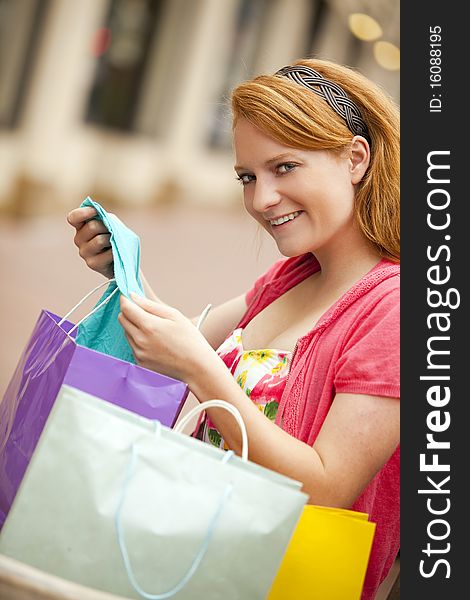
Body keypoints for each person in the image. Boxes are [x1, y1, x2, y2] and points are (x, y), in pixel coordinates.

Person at [67, 58, 400, 600]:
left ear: (355, 158)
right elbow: (170, 340)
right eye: (248, 176)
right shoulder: (288, 277)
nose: (262, 199)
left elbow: (324, 490)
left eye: (285, 167)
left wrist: (201, 372)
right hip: (188, 567)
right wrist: (121, 271)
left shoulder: (395, 310)